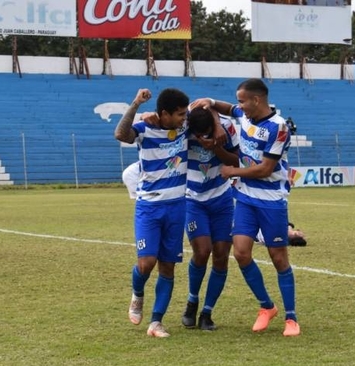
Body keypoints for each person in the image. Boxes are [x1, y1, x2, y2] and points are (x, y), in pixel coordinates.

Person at [191, 78, 300, 337]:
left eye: (242, 100)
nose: (240, 105)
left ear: (256, 100)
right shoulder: (245, 114)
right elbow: (228, 109)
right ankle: (266, 307)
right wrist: (210, 102)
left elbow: (265, 169)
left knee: (279, 258)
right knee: (240, 253)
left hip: (271, 200)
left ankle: (291, 318)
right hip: (244, 198)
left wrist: (232, 171)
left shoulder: (279, 127)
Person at [114, 87, 190, 338]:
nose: (183, 118)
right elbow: (121, 134)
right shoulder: (145, 129)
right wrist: (136, 104)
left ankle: (156, 323)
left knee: (168, 267)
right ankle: (137, 295)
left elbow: (208, 116)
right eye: (179, 114)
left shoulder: (185, 128)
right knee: (146, 264)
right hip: (149, 207)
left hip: (177, 206)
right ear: (164, 113)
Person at [181, 108, 240, 331]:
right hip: (192, 199)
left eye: (206, 133)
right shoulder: (182, 128)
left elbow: (238, 160)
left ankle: (207, 312)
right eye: (199, 135)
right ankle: (192, 301)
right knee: (202, 251)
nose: (202, 138)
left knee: (222, 256)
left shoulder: (227, 127)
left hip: (222, 199)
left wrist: (217, 146)